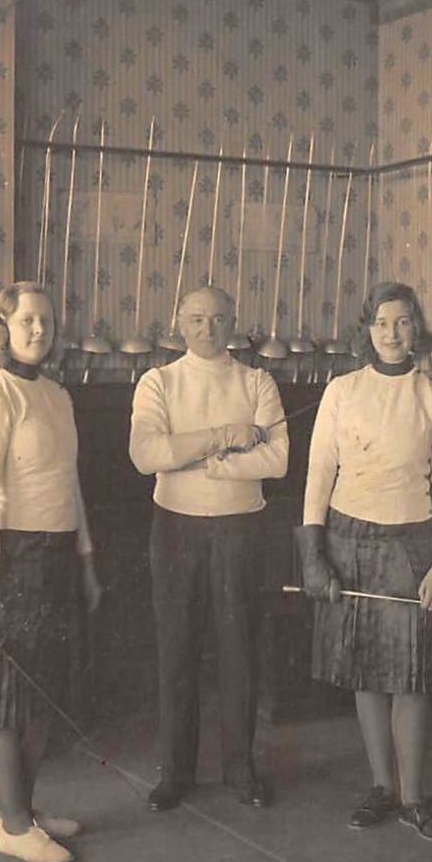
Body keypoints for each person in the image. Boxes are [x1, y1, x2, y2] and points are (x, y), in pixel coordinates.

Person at [297, 281, 432, 843]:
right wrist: (313, 554)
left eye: (404, 322)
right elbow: (319, 473)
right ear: (366, 331)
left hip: (409, 547)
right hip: (345, 540)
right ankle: (381, 788)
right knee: (365, 673)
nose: (392, 333)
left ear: (417, 328)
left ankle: (414, 800)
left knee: (410, 677)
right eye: (382, 323)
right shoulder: (340, 391)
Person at [129, 285, 288, 812]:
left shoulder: (257, 380)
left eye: (219, 318)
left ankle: (240, 770)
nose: (207, 329)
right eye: (196, 319)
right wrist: (227, 435)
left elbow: (278, 461)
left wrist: (211, 462)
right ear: (180, 322)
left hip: (241, 529)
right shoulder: (159, 381)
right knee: (177, 650)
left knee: (239, 651)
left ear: (233, 322)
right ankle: (176, 773)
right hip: (175, 529)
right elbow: (147, 454)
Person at [0, 281, 102, 862]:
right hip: (9, 561)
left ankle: (22, 810)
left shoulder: (58, 396)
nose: (38, 330)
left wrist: (87, 562)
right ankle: (15, 825)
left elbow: (68, 485)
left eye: (46, 319)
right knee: (3, 697)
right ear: (3, 328)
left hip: (58, 558)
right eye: (27, 320)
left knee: (41, 695)